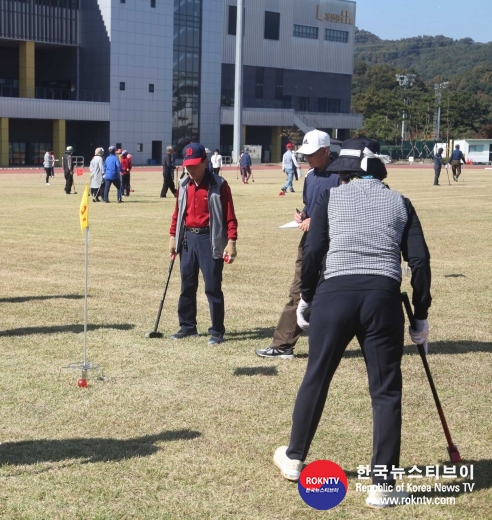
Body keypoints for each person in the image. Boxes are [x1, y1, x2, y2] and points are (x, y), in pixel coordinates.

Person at [273, 137, 431, 509]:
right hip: (383, 297)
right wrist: (421, 315)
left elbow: (313, 251)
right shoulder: (401, 202)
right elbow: (420, 264)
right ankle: (383, 484)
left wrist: (307, 297)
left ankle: (295, 458)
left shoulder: (332, 198)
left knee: (317, 375)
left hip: (334, 295)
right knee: (386, 391)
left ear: (347, 176)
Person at [257, 130, 339, 359]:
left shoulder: (341, 176)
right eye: (305, 154)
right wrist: (302, 215)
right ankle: (283, 345)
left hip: (335, 244)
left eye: (311, 154)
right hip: (309, 242)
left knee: (333, 295)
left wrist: (318, 220)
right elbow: (310, 206)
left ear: (325, 151)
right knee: (299, 292)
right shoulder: (311, 177)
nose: (307, 158)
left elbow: (345, 211)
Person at [169, 143, 239, 345]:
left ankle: (216, 331)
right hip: (188, 240)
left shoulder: (219, 184)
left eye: (195, 165)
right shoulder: (183, 185)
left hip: (210, 239)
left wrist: (232, 241)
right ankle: (187, 327)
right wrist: (173, 237)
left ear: (205, 162)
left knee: (213, 287)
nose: (190, 170)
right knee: (187, 285)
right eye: (187, 166)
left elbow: (230, 217)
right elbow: (177, 214)